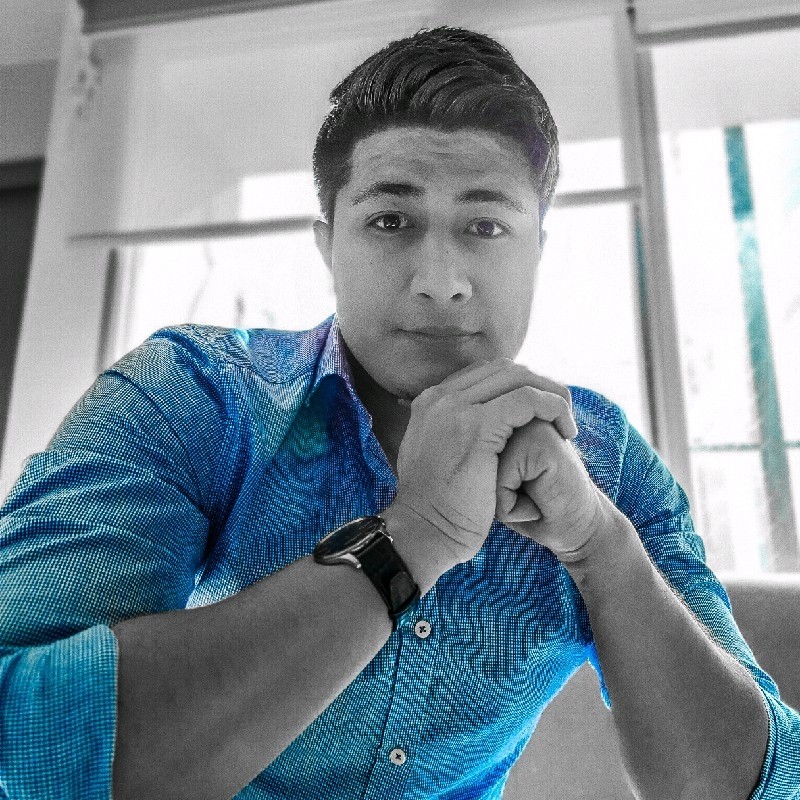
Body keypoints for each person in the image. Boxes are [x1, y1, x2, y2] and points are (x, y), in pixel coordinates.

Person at [0, 25, 797, 800]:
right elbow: (16, 739)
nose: (441, 281)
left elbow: (755, 787)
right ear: (328, 246)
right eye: (390, 221)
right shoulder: (191, 397)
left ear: (538, 251)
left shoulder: (608, 465)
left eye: (486, 225)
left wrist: (599, 546)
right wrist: (413, 536)